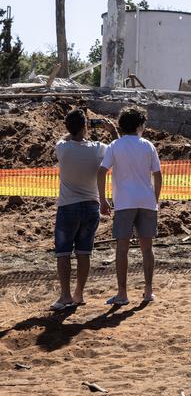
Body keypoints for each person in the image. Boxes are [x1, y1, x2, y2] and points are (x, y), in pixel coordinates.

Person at [50, 109, 118, 311]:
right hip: (91, 205)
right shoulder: (98, 149)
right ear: (85, 127)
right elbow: (117, 149)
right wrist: (112, 130)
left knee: (63, 253)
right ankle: (79, 293)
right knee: (84, 252)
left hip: (68, 205)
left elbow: (64, 137)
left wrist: (75, 130)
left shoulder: (62, 148)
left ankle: (65, 295)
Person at [97, 107, 162, 306]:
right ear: (140, 125)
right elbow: (158, 175)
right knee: (147, 247)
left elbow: (101, 172)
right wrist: (155, 199)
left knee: (122, 249)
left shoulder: (115, 145)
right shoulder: (148, 145)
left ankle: (122, 293)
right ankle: (148, 291)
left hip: (124, 202)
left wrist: (103, 199)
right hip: (146, 201)